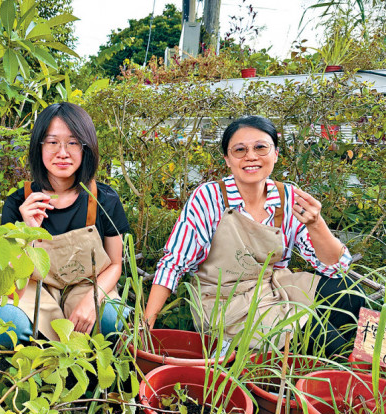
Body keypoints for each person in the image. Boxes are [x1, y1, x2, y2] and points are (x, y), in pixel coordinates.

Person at [144, 115, 365, 354]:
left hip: (274, 285)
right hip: (226, 301)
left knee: (351, 293)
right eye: (240, 150)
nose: (251, 156)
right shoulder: (208, 198)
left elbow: (335, 268)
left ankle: (323, 361)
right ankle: (311, 366)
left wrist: (316, 223)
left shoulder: (287, 197)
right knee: (326, 340)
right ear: (227, 160)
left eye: (261, 147)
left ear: (276, 154)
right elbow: (174, 262)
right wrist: (147, 322)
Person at [0, 102, 130, 344]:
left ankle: (94, 377)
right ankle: (31, 372)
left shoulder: (105, 201)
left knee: (113, 317)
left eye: (73, 142)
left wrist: (93, 299)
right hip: (36, 292)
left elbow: (116, 265)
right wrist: (27, 232)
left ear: (86, 147)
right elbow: (12, 286)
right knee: (4, 321)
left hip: (88, 289)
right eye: (52, 142)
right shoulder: (18, 204)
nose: (62, 152)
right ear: (39, 147)